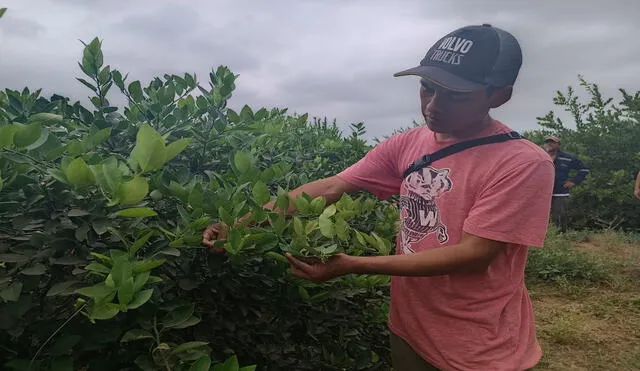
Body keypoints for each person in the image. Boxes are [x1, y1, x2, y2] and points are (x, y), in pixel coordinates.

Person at [203, 24, 555, 371]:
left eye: (455, 95)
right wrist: (242, 224)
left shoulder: (522, 162)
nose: (433, 105)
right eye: (427, 88)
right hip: (409, 328)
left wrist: (352, 264)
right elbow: (331, 187)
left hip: (479, 346)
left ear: (499, 96)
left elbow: (474, 255)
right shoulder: (408, 143)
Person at [541, 136, 590, 232]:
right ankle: (544, 237)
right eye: (547, 142)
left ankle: (560, 237)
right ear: (543, 144)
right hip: (541, 191)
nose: (549, 144)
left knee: (559, 215)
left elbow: (584, 169)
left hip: (560, 192)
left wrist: (574, 181)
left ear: (558, 144)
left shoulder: (567, 157)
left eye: (552, 142)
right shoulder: (539, 156)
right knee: (541, 215)